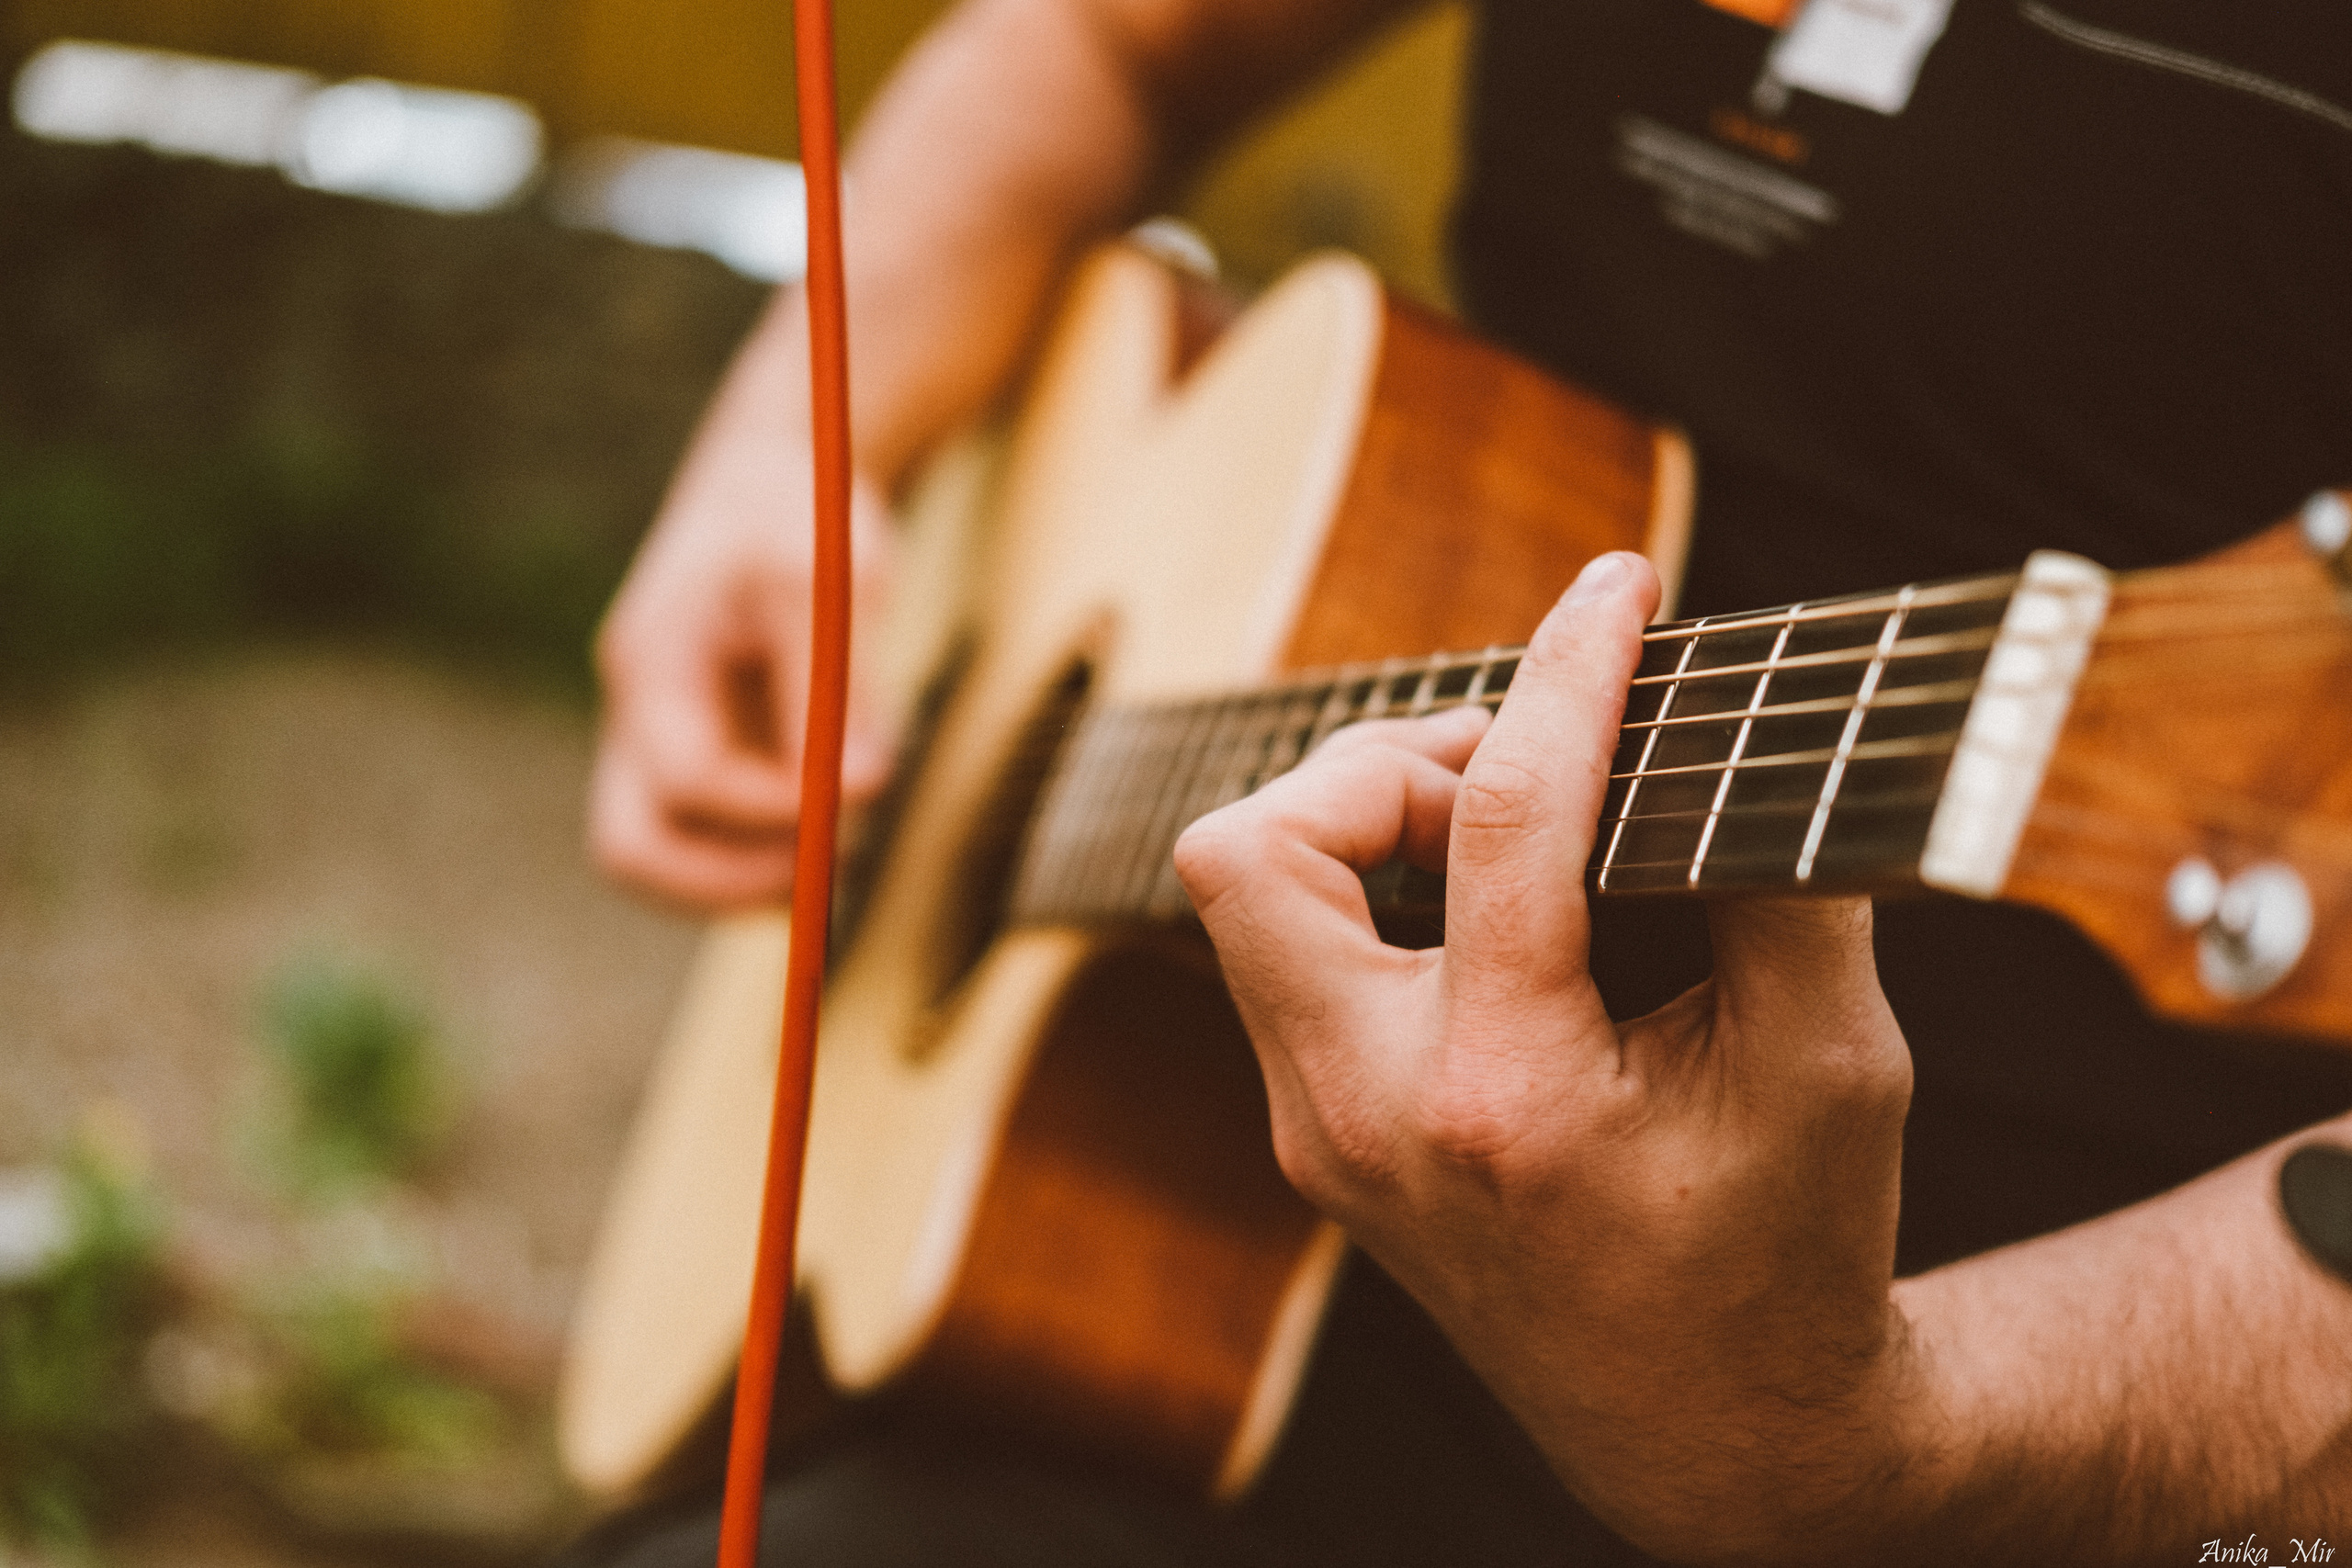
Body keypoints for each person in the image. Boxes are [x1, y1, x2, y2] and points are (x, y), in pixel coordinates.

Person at [579, 0, 2352, 1560]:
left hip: (2014, 1404)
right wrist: (799, 450)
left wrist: (1856, 1455)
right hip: (1204, 1239)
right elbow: (1130, 32)